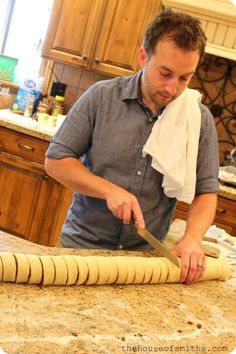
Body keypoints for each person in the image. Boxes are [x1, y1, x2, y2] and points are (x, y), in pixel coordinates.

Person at [45, 8, 219, 285]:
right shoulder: (101, 98)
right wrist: (109, 190)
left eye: (185, 78)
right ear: (143, 57)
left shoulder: (198, 119)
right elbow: (56, 160)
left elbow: (206, 192)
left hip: (143, 265)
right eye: (165, 73)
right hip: (80, 252)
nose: (173, 89)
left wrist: (192, 239)